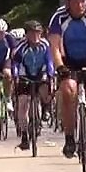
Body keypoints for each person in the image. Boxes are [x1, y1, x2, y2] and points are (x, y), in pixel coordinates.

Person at [50, 0, 86, 162]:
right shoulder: (58, 18)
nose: (79, 5)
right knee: (68, 91)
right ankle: (70, 138)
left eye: (82, 1)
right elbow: (55, 46)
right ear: (67, 2)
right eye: (75, 2)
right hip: (69, 61)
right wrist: (59, 67)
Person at [11, 21, 54, 150]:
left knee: (47, 90)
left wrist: (50, 74)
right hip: (25, 75)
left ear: (41, 34)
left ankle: (46, 108)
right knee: (23, 104)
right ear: (27, 35)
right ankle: (24, 136)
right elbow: (15, 64)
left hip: (41, 74)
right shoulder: (21, 47)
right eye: (31, 33)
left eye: (38, 33)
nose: (35, 36)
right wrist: (16, 75)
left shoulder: (45, 45)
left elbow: (50, 61)